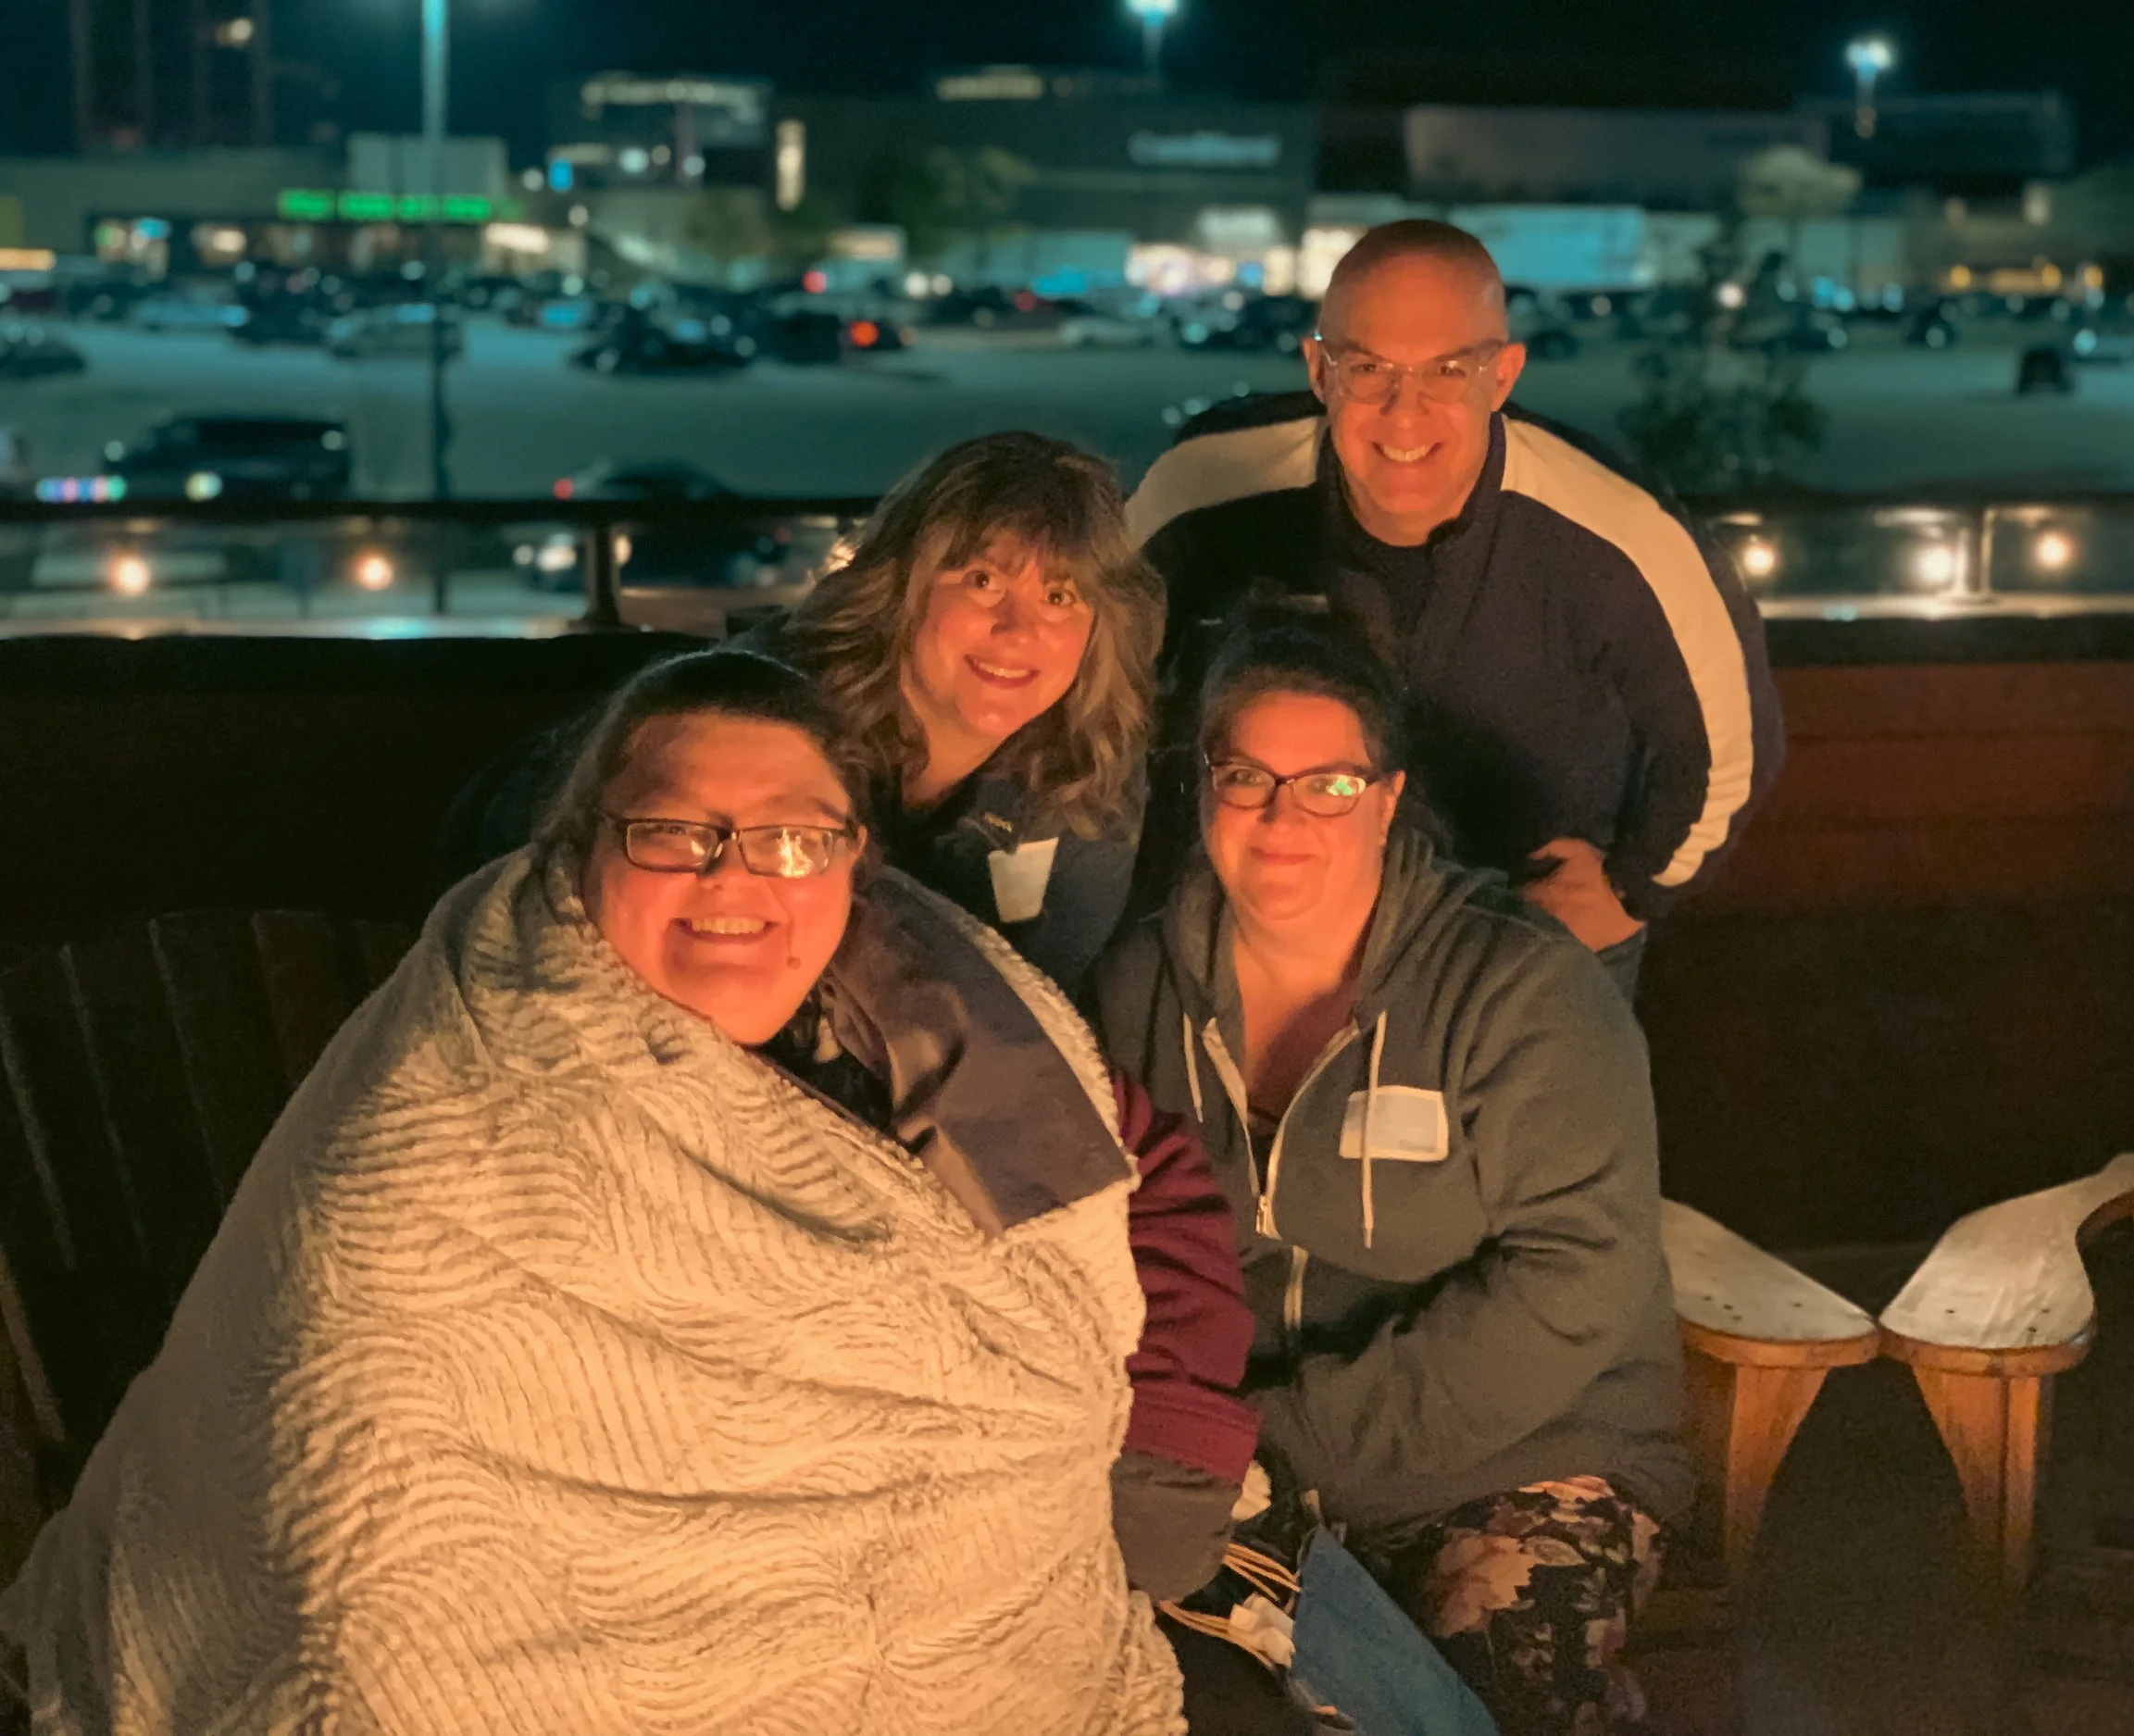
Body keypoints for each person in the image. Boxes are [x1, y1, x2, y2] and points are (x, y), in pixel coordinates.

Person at [0, 648, 1252, 1736]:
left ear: (853, 860)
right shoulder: (460, 1097)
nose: (735, 875)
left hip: (997, 1594)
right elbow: (359, 1525)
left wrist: (1166, 1447)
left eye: (794, 836)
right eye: (672, 829)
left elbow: (1138, 1193)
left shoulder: (944, 1005)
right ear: (578, 842)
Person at [1092, 617, 1690, 1735]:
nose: (1281, 819)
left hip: (1523, 1460)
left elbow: (1577, 1283)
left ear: (1384, 795)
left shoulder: (1517, 990)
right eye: (1246, 777)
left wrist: (1286, 1443)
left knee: (1474, 1700)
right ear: (1202, 790)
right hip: (1239, 1462)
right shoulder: (1138, 988)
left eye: (1326, 782)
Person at [1128, 219, 1785, 998]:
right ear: (1318, 369)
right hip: (1272, 927)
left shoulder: (1621, 535)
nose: (1405, 413)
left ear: (1502, 377)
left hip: (1520, 932)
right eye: (1368, 368)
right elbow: (1097, 657)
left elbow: (1733, 740)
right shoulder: (1207, 487)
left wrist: (1634, 889)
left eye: (1446, 371)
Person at [434, 431, 1165, 1000]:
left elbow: (1038, 1016)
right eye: (982, 580)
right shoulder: (759, 717)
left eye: (1061, 598)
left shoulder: (1089, 776)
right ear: (902, 582)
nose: (1019, 629)